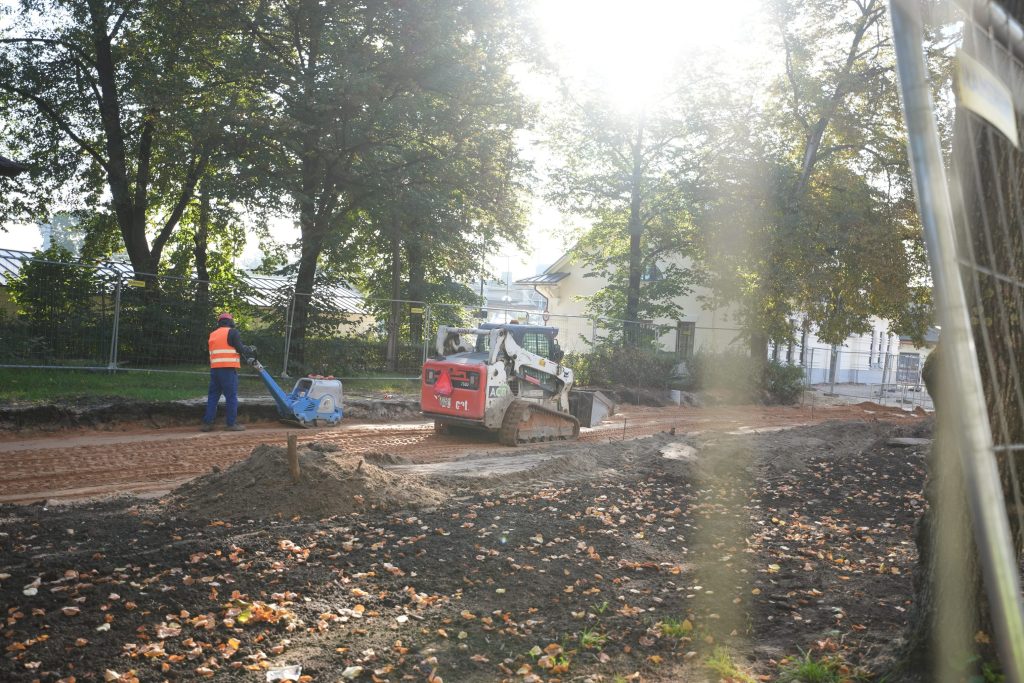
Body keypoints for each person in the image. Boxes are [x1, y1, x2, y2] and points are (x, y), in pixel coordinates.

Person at [201, 312, 255, 432]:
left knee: (213, 396)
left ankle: (207, 424)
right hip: (228, 370)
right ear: (230, 322)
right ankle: (231, 424)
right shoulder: (232, 332)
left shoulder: (213, 334)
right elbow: (240, 348)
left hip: (215, 370)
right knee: (231, 397)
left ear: (219, 322)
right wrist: (249, 349)